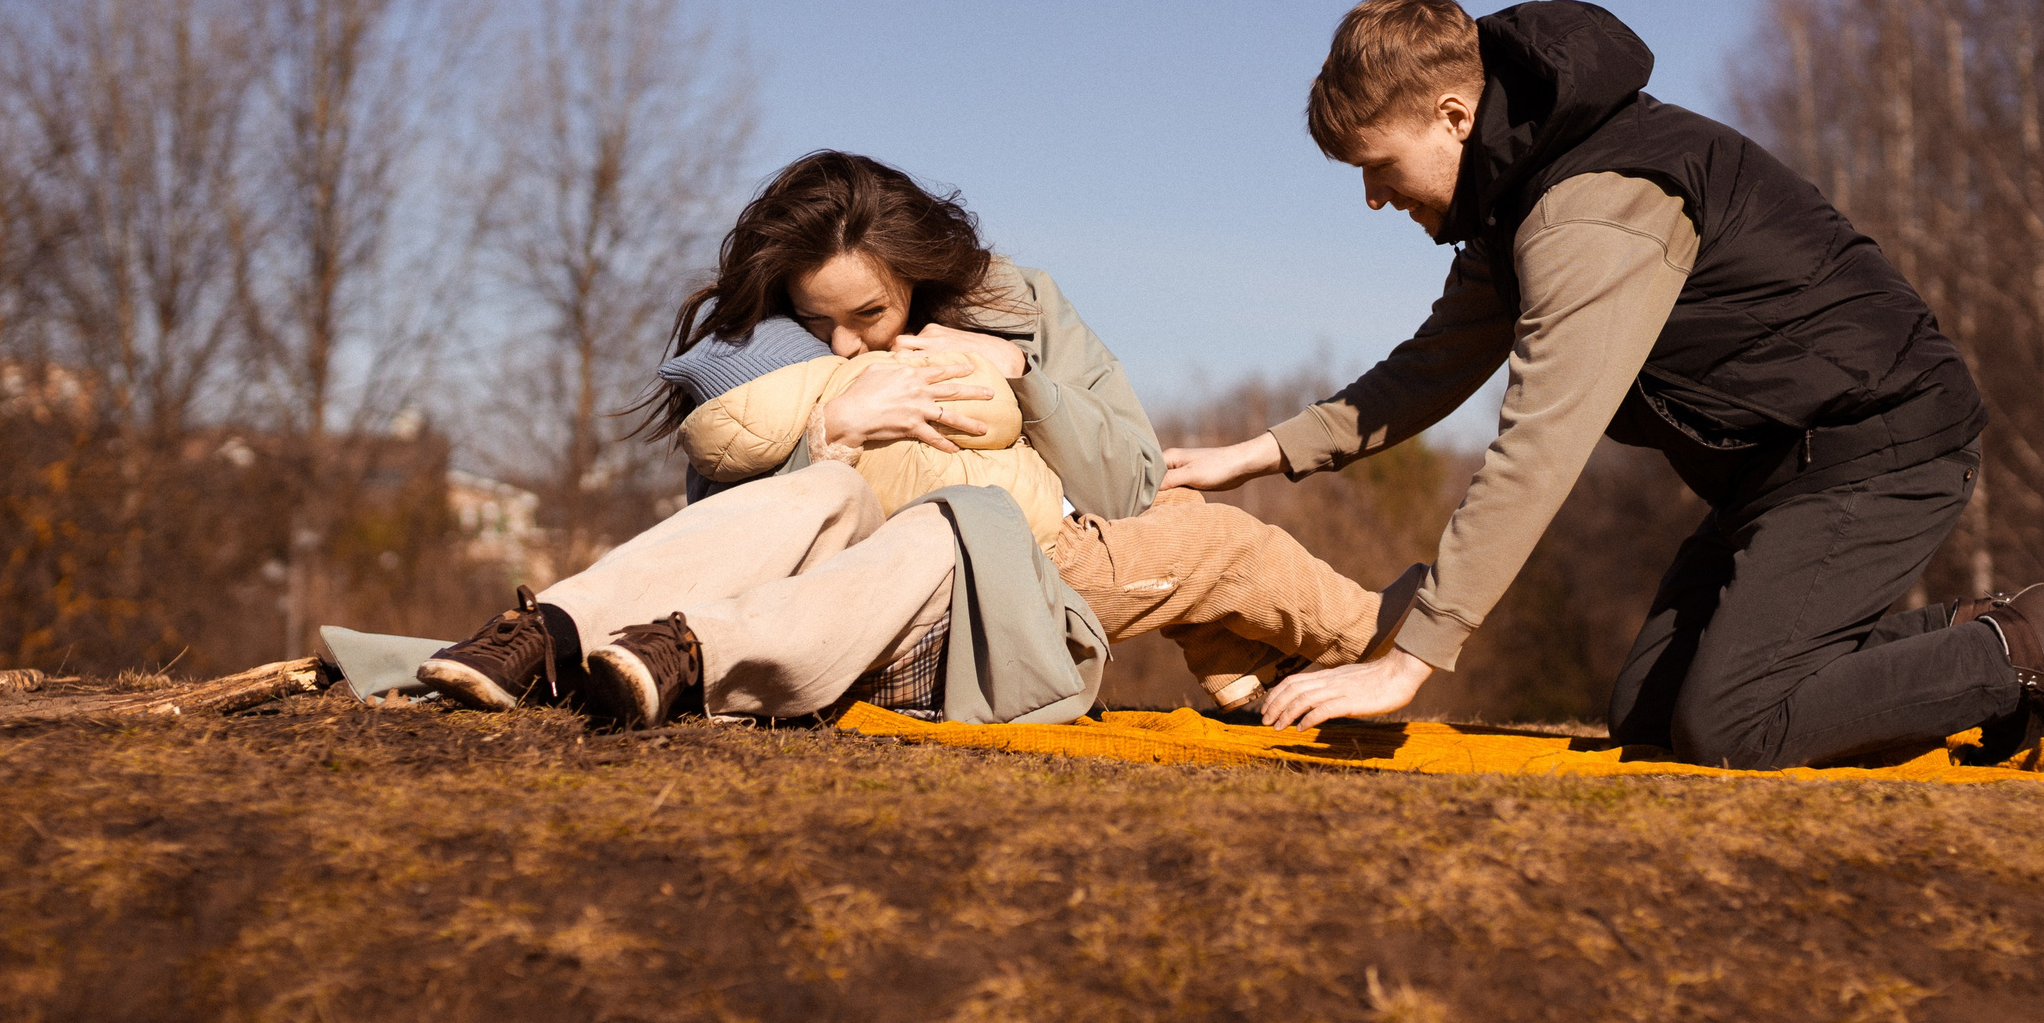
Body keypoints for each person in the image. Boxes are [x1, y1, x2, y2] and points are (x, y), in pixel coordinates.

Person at [1163, 0, 2044, 778]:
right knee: (1651, 716)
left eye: (1378, 166)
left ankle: (2023, 653)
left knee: (1732, 724)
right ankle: (1971, 642)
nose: (1374, 197)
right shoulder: (1514, 199)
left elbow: (1539, 443)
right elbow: (1432, 367)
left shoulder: (1587, 211)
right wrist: (1255, 456)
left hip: (1879, 442)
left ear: (1453, 116)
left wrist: (1410, 659)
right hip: (1782, 470)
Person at [417, 151, 1396, 727]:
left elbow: (1135, 481)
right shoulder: (775, 357)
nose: (846, 343)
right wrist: (826, 434)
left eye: (869, 314)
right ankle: (547, 630)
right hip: (845, 583)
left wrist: (1022, 377)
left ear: (917, 276)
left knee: (1027, 520)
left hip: (996, 568)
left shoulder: (1021, 306)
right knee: (822, 491)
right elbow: (722, 523)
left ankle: (1383, 641)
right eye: (818, 320)